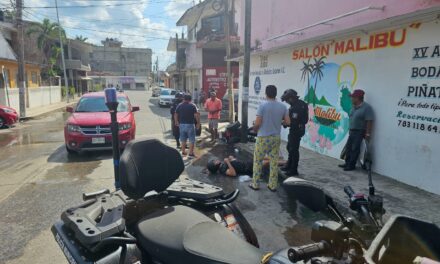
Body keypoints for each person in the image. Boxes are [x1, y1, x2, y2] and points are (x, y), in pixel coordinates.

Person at [250, 85, 290, 192]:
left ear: (266, 94)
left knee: (258, 161)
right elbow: (288, 122)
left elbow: (258, 123)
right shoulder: (283, 106)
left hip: (263, 138)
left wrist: (254, 129)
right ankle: (272, 185)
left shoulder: (262, 106)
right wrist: (278, 122)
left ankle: (255, 184)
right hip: (276, 138)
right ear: (276, 94)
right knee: (274, 162)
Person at [339, 89, 374, 171]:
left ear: (357, 98)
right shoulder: (353, 107)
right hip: (351, 131)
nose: (351, 99)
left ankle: (351, 165)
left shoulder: (367, 108)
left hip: (359, 131)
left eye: (352, 97)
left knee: (355, 149)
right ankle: (347, 163)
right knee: (348, 148)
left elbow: (369, 121)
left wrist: (368, 134)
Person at [281, 89, 309, 176]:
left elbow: (294, 121)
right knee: (290, 147)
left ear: (291, 98)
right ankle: (289, 165)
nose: (286, 102)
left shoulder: (298, 106)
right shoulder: (296, 104)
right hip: (295, 129)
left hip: (297, 130)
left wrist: (285, 123)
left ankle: (293, 169)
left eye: (286, 100)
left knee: (294, 149)